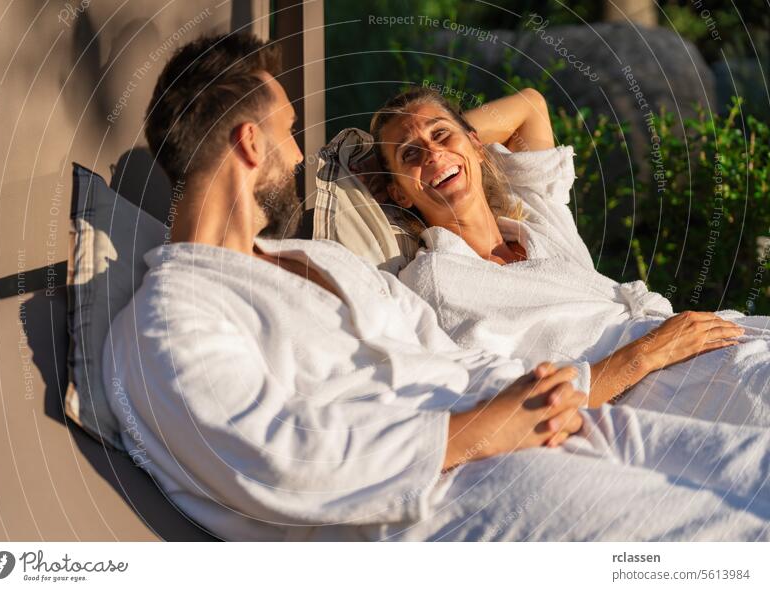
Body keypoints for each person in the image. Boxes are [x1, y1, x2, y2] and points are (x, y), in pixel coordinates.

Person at [103, 33, 770, 542]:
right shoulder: (168, 316)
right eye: (287, 135)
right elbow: (274, 456)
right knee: (714, 535)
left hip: (536, 412)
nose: (302, 156)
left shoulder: (312, 258)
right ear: (251, 144)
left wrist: (561, 389)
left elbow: (448, 353)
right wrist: (471, 434)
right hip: (445, 489)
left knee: (751, 470)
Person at [370, 87, 770, 427]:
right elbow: (509, 405)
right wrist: (647, 351)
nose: (432, 155)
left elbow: (530, 106)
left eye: (441, 135)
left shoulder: (532, 214)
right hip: (650, 390)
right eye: (409, 155)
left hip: (701, 341)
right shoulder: (437, 279)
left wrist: (446, 137)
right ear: (399, 194)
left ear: (478, 145)